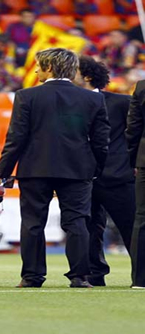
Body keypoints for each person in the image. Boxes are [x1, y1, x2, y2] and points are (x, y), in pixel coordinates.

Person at [0, 48, 110, 288]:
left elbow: (16, 138)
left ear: (49, 67)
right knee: (77, 222)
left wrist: (4, 172)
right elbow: (101, 141)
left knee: (33, 223)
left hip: (34, 169)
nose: (35, 69)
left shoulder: (26, 96)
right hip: (78, 170)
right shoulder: (93, 98)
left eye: (38, 65)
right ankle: (79, 276)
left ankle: (32, 277)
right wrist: (97, 168)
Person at [75, 56, 135, 287]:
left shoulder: (122, 102)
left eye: (75, 71)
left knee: (132, 227)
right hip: (81, 178)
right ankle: (93, 275)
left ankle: (141, 275)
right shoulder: (68, 103)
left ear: (88, 76)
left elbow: (138, 133)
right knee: (88, 230)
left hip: (118, 176)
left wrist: (133, 164)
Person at [126, 79, 145, 288]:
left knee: (142, 218)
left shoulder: (142, 87)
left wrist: (133, 161)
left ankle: (140, 279)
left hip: (144, 160)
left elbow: (133, 129)